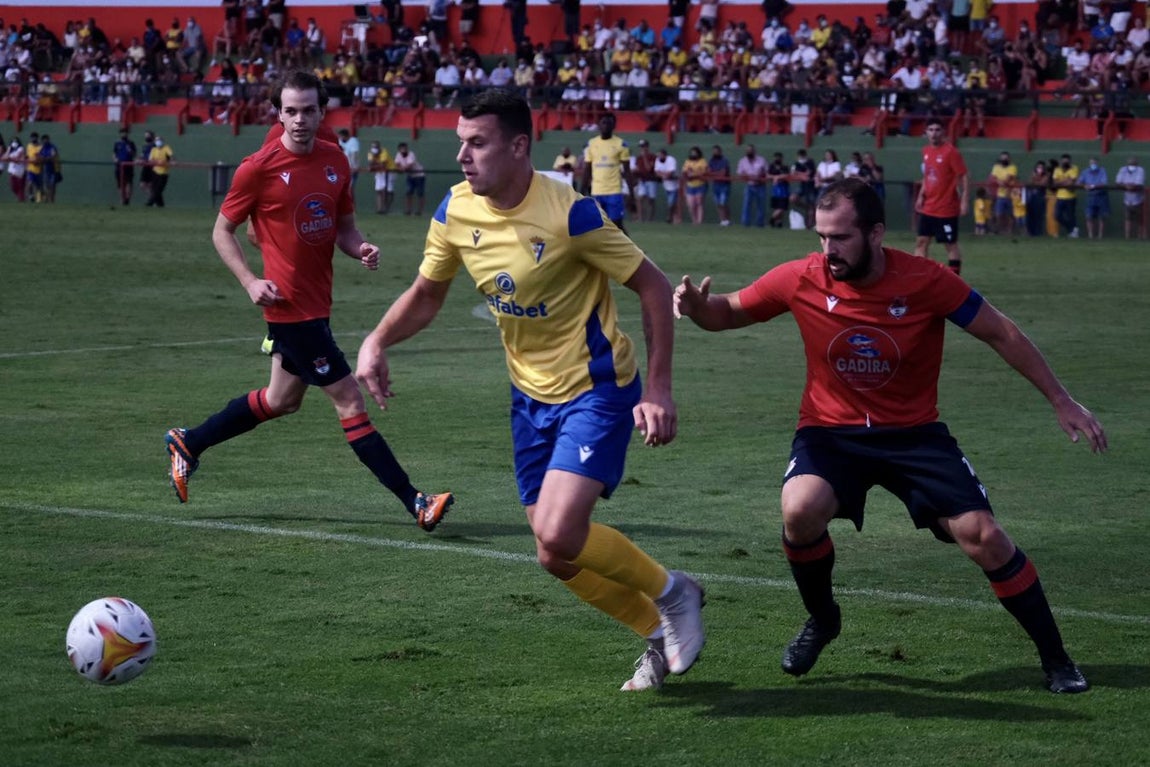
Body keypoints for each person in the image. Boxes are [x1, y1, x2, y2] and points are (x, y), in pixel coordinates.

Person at [673, 177, 1104, 695]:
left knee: (983, 537)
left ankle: (1057, 659)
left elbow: (1000, 332)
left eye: (840, 238)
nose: (828, 250)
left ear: (875, 234)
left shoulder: (926, 280)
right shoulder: (801, 277)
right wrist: (699, 308)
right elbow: (729, 310)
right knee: (799, 509)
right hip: (831, 434)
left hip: (914, 436)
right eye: (821, 237)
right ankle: (824, 619)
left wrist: (1061, 399)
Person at [355, 89, 705, 692]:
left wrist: (661, 389)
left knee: (560, 532)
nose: (463, 154)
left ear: (519, 147)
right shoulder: (456, 210)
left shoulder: (571, 214)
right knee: (554, 555)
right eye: (460, 141)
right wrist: (377, 340)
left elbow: (652, 287)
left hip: (597, 388)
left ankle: (676, 595)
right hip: (528, 397)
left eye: (478, 142)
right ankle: (653, 631)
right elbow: (426, 294)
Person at [164, 70, 453, 532]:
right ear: (278, 113)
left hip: (318, 304)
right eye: (290, 111)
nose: (299, 120)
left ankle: (189, 442)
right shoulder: (257, 167)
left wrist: (361, 248)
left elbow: (344, 229)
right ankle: (415, 501)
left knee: (281, 400)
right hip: (289, 308)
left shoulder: (336, 160)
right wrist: (249, 281)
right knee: (348, 400)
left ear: (322, 112)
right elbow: (222, 230)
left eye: (308, 110)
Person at [914, 117, 968, 274]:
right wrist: (921, 196)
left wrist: (964, 200)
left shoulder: (951, 152)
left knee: (950, 244)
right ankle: (921, 277)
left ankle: (955, 281)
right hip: (929, 207)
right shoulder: (926, 151)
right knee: (921, 242)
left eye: (937, 130)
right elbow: (927, 175)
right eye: (930, 130)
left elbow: (963, 175)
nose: (934, 133)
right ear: (926, 133)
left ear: (943, 132)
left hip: (946, 208)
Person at [582, 112, 637, 232]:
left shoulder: (621, 144)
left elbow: (627, 171)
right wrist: (582, 191)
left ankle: (631, 250)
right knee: (597, 225)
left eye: (609, 123)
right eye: (603, 122)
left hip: (614, 191)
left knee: (616, 223)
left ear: (614, 126)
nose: (606, 125)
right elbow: (587, 169)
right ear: (599, 125)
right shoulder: (591, 144)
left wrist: (632, 195)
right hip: (597, 191)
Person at [1115, 156, 1145, 240]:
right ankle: (1127, 237)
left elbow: (1139, 183)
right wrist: (1126, 186)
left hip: (1138, 199)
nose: (1132, 163)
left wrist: (1130, 186)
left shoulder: (1140, 170)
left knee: (1139, 219)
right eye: (1130, 162)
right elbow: (1118, 182)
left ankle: (1140, 237)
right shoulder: (1123, 169)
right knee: (1127, 218)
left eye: (1133, 162)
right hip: (1127, 199)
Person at [737, 144, 767, 227]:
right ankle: (745, 223)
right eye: (747, 151)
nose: (749, 152)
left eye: (751, 150)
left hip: (760, 185)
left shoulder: (761, 160)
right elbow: (740, 173)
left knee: (761, 206)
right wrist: (747, 176)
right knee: (746, 205)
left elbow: (766, 172)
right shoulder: (742, 161)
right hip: (749, 185)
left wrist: (760, 175)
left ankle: (760, 224)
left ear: (754, 151)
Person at [989, 150, 1018, 235]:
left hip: (1010, 194)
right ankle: (1001, 230)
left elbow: (1009, 179)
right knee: (998, 214)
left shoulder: (1013, 167)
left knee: (1011, 214)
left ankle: (1010, 231)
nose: (1004, 160)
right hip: (1000, 194)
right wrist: (999, 181)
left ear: (1009, 159)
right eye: (1003, 158)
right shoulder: (996, 167)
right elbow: (992, 178)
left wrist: (1000, 181)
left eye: (1006, 158)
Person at [394, 141, 426, 216]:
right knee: (408, 193)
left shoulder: (411, 154)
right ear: (399, 150)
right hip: (410, 176)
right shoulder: (398, 155)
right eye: (401, 149)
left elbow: (409, 166)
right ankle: (408, 210)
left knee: (420, 193)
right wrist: (399, 168)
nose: (403, 150)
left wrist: (401, 169)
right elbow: (397, 164)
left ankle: (419, 211)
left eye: (405, 148)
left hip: (419, 175)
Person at [1080, 157, 1109, 240]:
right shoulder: (1085, 172)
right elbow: (1079, 182)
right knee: (1088, 216)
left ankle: (1100, 235)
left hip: (1101, 196)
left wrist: (1093, 186)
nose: (1093, 164)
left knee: (1101, 217)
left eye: (1094, 163)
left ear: (1097, 163)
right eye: (1091, 163)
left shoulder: (1102, 171)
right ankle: (1090, 235)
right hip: (1090, 196)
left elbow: (1104, 183)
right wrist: (1084, 186)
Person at [1052, 153, 1080, 238]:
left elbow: (1072, 181)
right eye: (1064, 161)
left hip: (1071, 197)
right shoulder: (1057, 169)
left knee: (1070, 215)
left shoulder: (1074, 168)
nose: (1065, 162)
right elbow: (1055, 183)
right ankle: (1071, 229)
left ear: (1070, 161)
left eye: (1067, 161)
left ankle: (1074, 231)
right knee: (1057, 215)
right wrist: (1066, 180)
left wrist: (1061, 181)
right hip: (1060, 197)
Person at [654, 147, 680, 224]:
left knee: (671, 202)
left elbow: (670, 172)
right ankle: (675, 218)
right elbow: (657, 172)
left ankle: (669, 217)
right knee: (672, 203)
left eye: (661, 155)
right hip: (666, 185)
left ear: (664, 155)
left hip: (674, 184)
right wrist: (663, 175)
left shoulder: (671, 160)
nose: (659, 157)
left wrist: (664, 175)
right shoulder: (658, 160)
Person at [145, 135, 173, 207]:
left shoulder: (166, 148)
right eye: (157, 140)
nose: (158, 142)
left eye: (160, 140)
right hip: (155, 172)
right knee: (154, 189)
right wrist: (158, 162)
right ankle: (160, 205)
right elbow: (150, 160)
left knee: (159, 189)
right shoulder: (153, 149)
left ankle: (149, 203)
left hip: (164, 173)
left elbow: (171, 156)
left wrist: (167, 161)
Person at [367, 139, 394, 214]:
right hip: (379, 173)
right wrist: (373, 165)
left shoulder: (384, 152)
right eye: (373, 147)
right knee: (379, 191)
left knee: (388, 191)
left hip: (389, 171)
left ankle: (387, 208)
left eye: (375, 147)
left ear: (379, 147)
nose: (374, 149)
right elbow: (370, 164)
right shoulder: (370, 153)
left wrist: (373, 165)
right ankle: (380, 209)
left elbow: (383, 165)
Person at [113, 128, 137, 205]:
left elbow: (134, 154)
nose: (124, 134)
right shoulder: (117, 143)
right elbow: (114, 153)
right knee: (120, 184)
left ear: (127, 134)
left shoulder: (131, 143)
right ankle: (122, 199)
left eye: (125, 133)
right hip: (119, 165)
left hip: (128, 165)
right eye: (122, 133)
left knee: (129, 182)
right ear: (120, 134)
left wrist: (130, 151)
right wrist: (115, 159)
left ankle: (127, 199)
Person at [6, 136, 26, 202]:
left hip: (19, 169)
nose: (14, 143)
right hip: (12, 170)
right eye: (13, 141)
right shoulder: (11, 149)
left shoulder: (21, 148)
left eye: (15, 141)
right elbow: (5, 156)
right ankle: (20, 197)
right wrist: (9, 149)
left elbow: (18, 158)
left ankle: (21, 199)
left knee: (20, 186)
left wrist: (10, 159)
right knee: (13, 187)